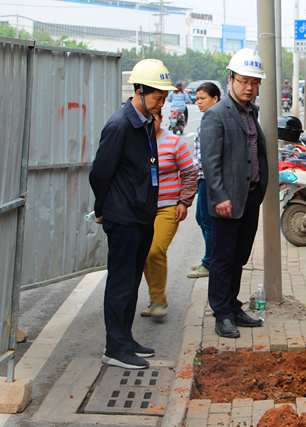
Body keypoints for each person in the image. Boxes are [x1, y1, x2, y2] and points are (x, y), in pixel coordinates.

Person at [89, 58, 175, 369]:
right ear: (139, 91)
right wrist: (103, 208)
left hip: (142, 215)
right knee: (120, 283)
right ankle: (115, 348)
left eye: (164, 98)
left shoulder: (145, 121)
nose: (161, 103)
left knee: (132, 282)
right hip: (124, 218)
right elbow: (99, 173)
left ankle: (126, 339)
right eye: (157, 97)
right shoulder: (120, 125)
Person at [200, 49, 268, 339]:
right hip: (227, 201)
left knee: (239, 256)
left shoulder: (251, 111)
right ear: (231, 80)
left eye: (254, 82)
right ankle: (221, 314)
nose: (249, 87)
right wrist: (219, 197)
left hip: (249, 196)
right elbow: (210, 162)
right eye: (243, 81)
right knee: (223, 258)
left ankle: (233, 305)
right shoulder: (216, 115)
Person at [140, 110, 198, 318]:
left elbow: (189, 173)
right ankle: (156, 298)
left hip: (167, 206)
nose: (148, 123)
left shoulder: (174, 143)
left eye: (153, 119)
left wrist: (183, 202)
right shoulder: (134, 143)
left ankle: (157, 300)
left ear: (161, 119)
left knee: (155, 250)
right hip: (140, 208)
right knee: (143, 253)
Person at [188, 82, 221, 278]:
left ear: (215, 99)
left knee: (207, 220)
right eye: (197, 98)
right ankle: (209, 258)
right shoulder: (207, 118)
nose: (198, 102)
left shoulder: (214, 119)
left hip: (209, 177)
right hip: (201, 176)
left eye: (203, 98)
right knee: (201, 218)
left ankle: (209, 262)